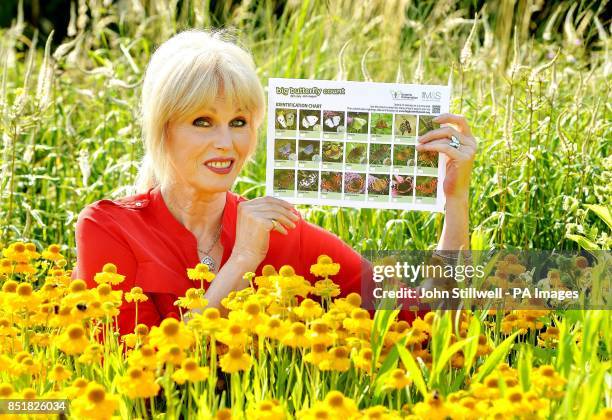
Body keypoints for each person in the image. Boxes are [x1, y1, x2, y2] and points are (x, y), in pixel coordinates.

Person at [73, 29, 477, 336]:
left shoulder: (284, 231)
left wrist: (454, 201)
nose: (226, 143)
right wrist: (242, 261)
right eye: (202, 122)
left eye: (239, 122)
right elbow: (134, 373)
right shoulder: (109, 228)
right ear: (163, 129)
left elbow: (425, 320)